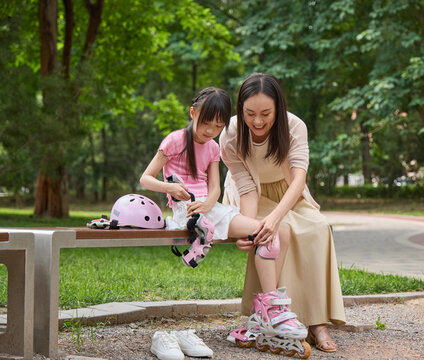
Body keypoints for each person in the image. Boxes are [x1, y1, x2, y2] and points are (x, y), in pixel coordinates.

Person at [140, 87, 308, 358]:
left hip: (212, 209)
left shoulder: (213, 147)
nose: (211, 131)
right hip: (186, 210)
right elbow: (145, 178)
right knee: (202, 221)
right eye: (206, 123)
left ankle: (269, 308)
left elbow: (216, 188)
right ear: (193, 113)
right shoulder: (173, 141)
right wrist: (170, 189)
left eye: (218, 126)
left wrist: (209, 204)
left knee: (268, 231)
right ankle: (200, 241)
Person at [219, 73, 346, 353]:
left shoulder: (294, 126)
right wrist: (250, 227)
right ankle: (276, 315)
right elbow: (246, 187)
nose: (258, 121)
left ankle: (317, 322)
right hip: (247, 192)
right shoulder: (230, 133)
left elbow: (299, 178)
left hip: (288, 190)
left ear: (279, 108)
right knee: (276, 232)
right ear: (240, 109)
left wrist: (276, 215)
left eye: (266, 113)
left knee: (317, 228)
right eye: (250, 113)